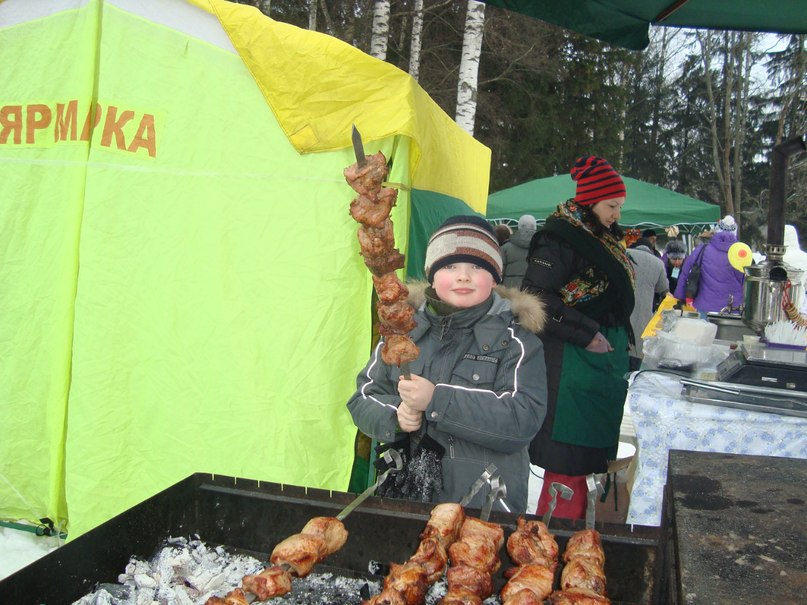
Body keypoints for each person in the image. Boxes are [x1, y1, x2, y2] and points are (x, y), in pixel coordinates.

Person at [347, 215, 549, 513]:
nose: (463, 276)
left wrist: (437, 399)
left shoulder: (516, 341)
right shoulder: (401, 331)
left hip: (483, 509)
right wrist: (397, 416)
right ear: (432, 274)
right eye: (450, 266)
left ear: (495, 277)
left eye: (478, 266)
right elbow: (363, 399)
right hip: (407, 499)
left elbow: (522, 419)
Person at [521, 155, 635, 520]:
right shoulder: (560, 238)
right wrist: (587, 335)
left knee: (580, 463)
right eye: (611, 205)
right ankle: (552, 541)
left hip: (597, 365)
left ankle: (567, 534)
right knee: (566, 462)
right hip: (572, 363)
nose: (617, 214)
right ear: (589, 201)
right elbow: (536, 299)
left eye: (619, 206)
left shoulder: (596, 237)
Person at [673, 215, 744, 313]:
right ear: (734, 234)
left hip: (704, 308)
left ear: (717, 231)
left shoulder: (702, 249)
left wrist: (679, 296)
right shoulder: (741, 255)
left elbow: (685, 273)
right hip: (733, 309)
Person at [627, 238, 669, 368]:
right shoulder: (658, 263)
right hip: (642, 314)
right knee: (636, 351)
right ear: (651, 249)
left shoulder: (623, 254)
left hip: (621, 312)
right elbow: (664, 289)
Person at [501, 214, 538, 288]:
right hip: (535, 291)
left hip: (509, 291)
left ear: (519, 226)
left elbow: (500, 273)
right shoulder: (543, 248)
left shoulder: (505, 248)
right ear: (535, 227)